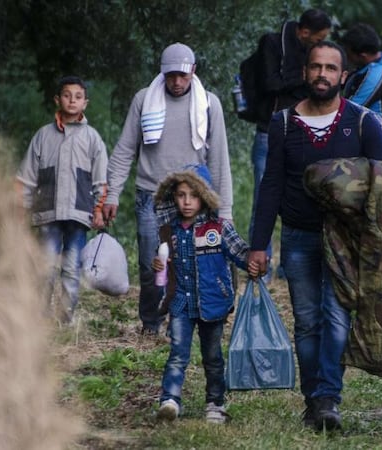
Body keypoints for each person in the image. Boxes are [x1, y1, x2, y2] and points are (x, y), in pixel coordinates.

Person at [248, 41, 382, 431]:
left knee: (336, 316)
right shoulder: (282, 123)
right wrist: (258, 244)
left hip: (346, 241)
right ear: (305, 71)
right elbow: (271, 184)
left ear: (343, 76)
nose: (323, 75)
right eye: (316, 67)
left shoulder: (363, 123)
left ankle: (329, 397)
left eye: (331, 68)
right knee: (308, 320)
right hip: (298, 238)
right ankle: (314, 399)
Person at [104, 42, 232, 336]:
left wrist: (223, 210)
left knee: (196, 262)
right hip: (151, 194)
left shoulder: (209, 104)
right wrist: (112, 194)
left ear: (193, 72)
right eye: (171, 76)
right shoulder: (144, 100)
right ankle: (151, 322)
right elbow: (125, 149)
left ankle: (189, 321)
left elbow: (218, 158)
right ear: (162, 73)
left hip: (194, 195)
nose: (176, 82)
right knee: (154, 263)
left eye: (182, 76)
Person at [152, 166, 259, 424]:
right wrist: (159, 264)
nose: (187, 202)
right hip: (181, 302)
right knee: (178, 353)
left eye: (193, 195)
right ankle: (170, 400)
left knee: (212, 357)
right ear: (173, 197)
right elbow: (165, 264)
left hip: (213, 302)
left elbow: (239, 252)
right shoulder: (170, 230)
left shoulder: (218, 229)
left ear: (205, 197)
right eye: (180, 195)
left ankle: (215, 404)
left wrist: (254, 262)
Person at [16, 75, 108, 324]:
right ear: (57, 99)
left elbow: (101, 180)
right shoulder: (43, 136)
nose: (72, 101)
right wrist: (21, 206)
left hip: (79, 215)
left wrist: (99, 209)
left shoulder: (92, 139)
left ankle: (65, 318)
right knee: (45, 266)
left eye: (78, 97)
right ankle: (39, 318)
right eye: (67, 95)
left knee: (71, 268)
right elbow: (27, 177)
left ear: (85, 103)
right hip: (48, 213)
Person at [249, 8, 332, 280]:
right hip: (269, 128)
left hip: (304, 130)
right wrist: (305, 81)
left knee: (301, 194)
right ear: (304, 32)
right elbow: (271, 82)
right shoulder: (273, 44)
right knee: (265, 196)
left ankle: (290, 265)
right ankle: (262, 261)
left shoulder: (312, 52)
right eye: (318, 38)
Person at [339, 23, 382, 123]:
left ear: (363, 56)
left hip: (372, 130)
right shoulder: (373, 63)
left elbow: (351, 109)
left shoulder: (374, 75)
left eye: (348, 53)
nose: (346, 56)